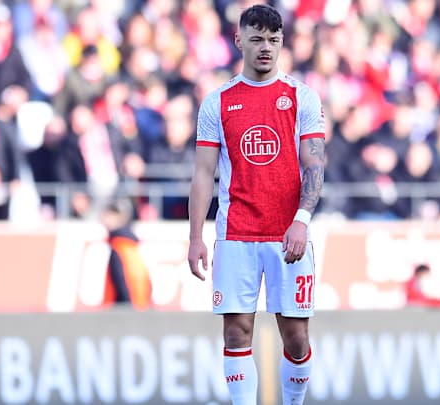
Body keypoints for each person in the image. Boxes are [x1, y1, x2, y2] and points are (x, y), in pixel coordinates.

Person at [186, 5, 325, 405]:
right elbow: (203, 174)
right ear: (239, 41)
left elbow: (315, 165)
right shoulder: (217, 102)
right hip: (236, 234)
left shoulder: (302, 97)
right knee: (236, 332)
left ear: (282, 43)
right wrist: (195, 237)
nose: (266, 48)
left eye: (273, 40)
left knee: (296, 336)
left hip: (288, 234)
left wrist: (301, 219)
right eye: (257, 39)